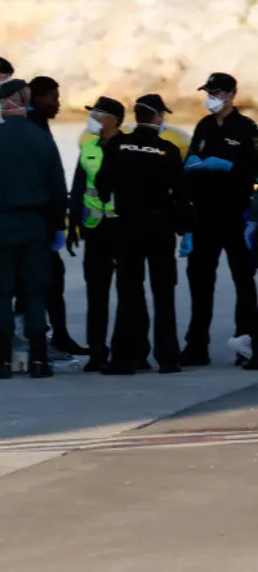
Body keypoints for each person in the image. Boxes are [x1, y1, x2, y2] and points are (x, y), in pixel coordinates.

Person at [0, 79, 69, 379]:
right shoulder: (42, 138)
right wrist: (57, 227)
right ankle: (38, 359)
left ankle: (3, 360)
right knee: (34, 292)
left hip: (1, 224)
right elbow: (58, 188)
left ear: (6, 103)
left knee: (1, 292)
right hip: (36, 225)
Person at [95, 94, 189, 375]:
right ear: (158, 118)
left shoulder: (118, 145)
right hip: (159, 228)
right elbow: (182, 195)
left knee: (129, 294)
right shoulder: (168, 150)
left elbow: (102, 185)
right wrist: (184, 228)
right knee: (163, 294)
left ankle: (124, 359)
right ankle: (168, 359)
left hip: (127, 228)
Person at [182, 72, 258, 367]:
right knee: (200, 281)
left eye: (216, 92)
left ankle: (246, 341)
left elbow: (254, 169)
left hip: (235, 215)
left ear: (230, 95)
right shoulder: (203, 126)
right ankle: (196, 344)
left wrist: (229, 167)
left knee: (243, 280)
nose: (210, 97)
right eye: (209, 92)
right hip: (204, 216)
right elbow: (190, 161)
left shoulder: (246, 128)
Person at [25, 75, 86, 356]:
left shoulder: (38, 125)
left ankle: (54, 335)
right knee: (45, 280)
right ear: (36, 98)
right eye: (53, 97)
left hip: (41, 219)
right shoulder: (34, 127)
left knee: (50, 279)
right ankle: (48, 338)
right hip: (37, 222)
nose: (58, 104)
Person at [69, 96, 126, 371]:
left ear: (115, 120)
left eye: (98, 114)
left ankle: (126, 352)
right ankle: (97, 352)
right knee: (96, 296)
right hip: (94, 230)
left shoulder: (128, 148)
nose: (92, 118)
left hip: (122, 229)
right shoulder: (88, 148)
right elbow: (78, 188)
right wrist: (71, 227)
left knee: (128, 295)